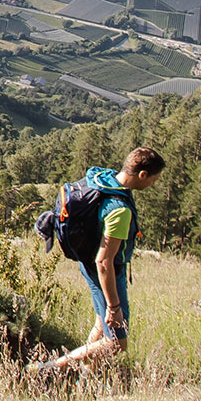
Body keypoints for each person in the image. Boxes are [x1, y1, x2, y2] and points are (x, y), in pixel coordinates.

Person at [36, 146, 167, 374]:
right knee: (116, 343)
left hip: (86, 263)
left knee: (100, 325)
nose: (153, 185)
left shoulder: (103, 178)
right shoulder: (119, 210)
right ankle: (49, 368)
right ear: (142, 175)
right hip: (106, 274)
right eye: (153, 180)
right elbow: (104, 261)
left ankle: (84, 380)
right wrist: (114, 306)